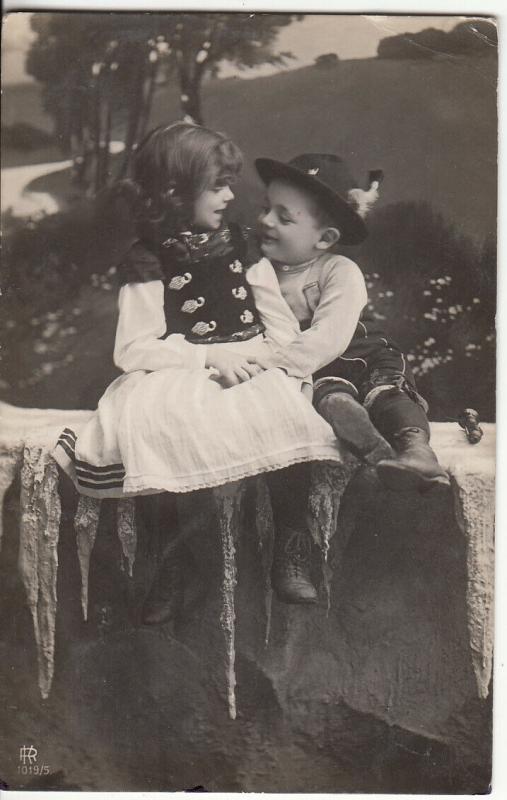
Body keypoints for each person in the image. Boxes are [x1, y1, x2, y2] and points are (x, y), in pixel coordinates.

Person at [52, 124, 350, 616]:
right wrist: (208, 358)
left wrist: (278, 365)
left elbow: (276, 320)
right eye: (218, 185)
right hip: (183, 365)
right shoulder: (148, 258)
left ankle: (289, 549)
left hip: (250, 355)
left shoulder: (242, 244)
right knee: (152, 422)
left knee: (282, 409)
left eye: (230, 184)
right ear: (175, 191)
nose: (231, 196)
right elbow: (133, 349)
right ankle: (172, 563)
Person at [253, 153, 450, 492]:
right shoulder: (258, 271)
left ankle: (417, 450)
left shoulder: (339, 271)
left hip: (362, 352)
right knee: (329, 394)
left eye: (283, 218)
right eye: (265, 208)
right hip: (317, 370)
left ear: (325, 239)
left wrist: (270, 368)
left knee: (387, 392)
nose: (266, 221)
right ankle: (367, 439)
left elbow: (329, 336)